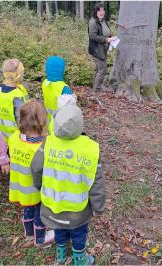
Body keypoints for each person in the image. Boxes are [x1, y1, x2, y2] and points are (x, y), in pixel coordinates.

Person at [31, 104, 105, 265]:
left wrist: (38, 186)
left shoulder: (48, 143)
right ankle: (80, 260)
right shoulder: (91, 149)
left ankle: (61, 256)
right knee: (79, 234)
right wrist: (98, 207)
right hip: (77, 210)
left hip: (53, 205)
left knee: (59, 230)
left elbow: (36, 167)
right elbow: (96, 182)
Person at [8, 100, 55, 246]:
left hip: (21, 187)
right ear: (42, 121)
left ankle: (29, 233)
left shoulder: (14, 138)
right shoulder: (43, 147)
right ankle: (40, 238)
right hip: (37, 190)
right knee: (40, 212)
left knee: (27, 208)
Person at [0, 59, 29, 141]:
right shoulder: (17, 96)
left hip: (1, 136)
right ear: (18, 75)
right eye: (22, 72)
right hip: (16, 139)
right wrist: (25, 138)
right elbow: (21, 120)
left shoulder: (0, 89)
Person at [41, 56, 73, 133]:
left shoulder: (45, 83)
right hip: (59, 123)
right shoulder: (64, 88)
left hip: (47, 120)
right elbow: (70, 110)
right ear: (62, 69)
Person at [88, 3, 116, 91]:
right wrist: (106, 40)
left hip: (103, 49)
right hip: (96, 49)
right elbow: (93, 36)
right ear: (96, 11)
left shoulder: (103, 20)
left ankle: (96, 86)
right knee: (102, 69)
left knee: (98, 69)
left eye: (103, 10)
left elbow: (106, 31)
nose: (101, 12)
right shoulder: (93, 22)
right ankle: (96, 89)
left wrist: (111, 36)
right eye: (99, 10)